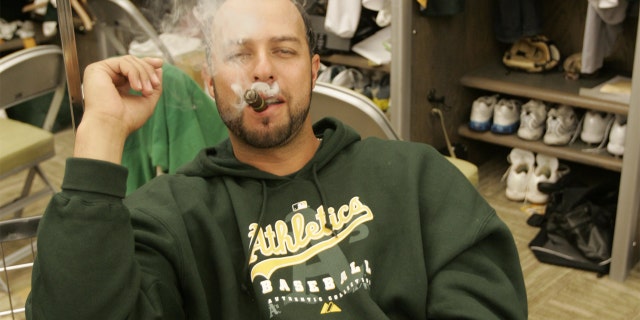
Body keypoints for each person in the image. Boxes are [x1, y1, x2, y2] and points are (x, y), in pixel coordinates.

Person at [27, 0, 528, 318]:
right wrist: (100, 132)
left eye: (283, 52)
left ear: (313, 72)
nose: (262, 71)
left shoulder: (416, 176)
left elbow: (485, 301)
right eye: (239, 54)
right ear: (209, 81)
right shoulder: (168, 217)